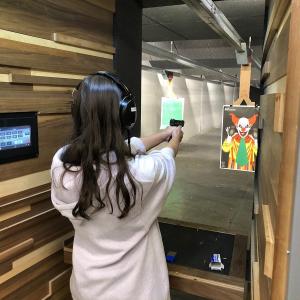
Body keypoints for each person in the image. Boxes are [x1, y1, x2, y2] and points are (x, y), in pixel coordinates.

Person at [51, 72, 183, 300]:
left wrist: (162, 135)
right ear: (124, 115)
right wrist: (174, 138)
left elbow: (119, 149)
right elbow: (167, 157)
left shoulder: (62, 165)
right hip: (138, 290)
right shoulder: (141, 175)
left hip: (88, 288)